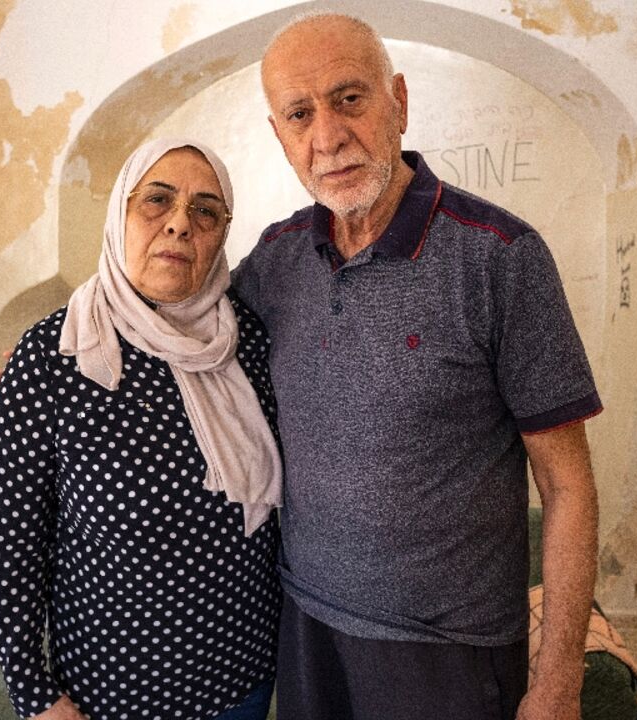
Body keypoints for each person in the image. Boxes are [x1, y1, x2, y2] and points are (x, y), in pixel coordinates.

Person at [229, 12, 602, 720]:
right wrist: (46, 357)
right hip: (307, 626)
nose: (328, 135)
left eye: (349, 99)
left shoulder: (500, 256)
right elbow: (178, 329)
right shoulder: (275, 261)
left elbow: (567, 484)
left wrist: (558, 682)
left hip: (449, 650)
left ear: (399, 101)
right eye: (299, 114)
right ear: (279, 137)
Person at [0, 138, 284, 720]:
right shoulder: (52, 358)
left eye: (205, 210)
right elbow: (12, 547)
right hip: (113, 694)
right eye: (157, 200)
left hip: (245, 679)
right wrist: (35, 696)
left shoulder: (250, 340)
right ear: (120, 212)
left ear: (222, 234)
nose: (178, 225)